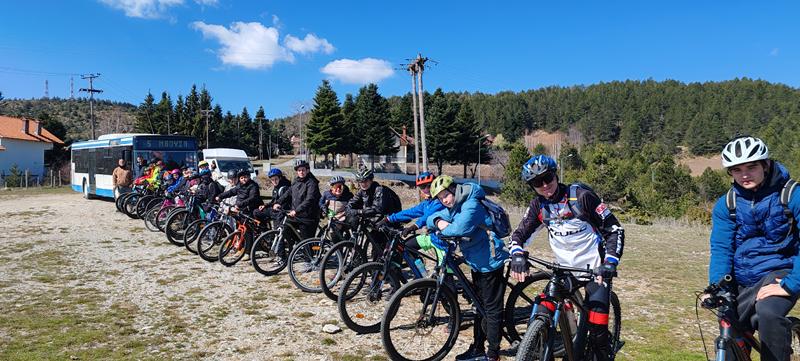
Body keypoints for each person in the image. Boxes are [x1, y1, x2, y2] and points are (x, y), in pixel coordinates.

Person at [509, 154, 624, 361]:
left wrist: (610, 262)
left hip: (595, 271)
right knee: (542, 310)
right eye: (537, 183)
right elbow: (519, 235)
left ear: (556, 175)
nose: (545, 186)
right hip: (565, 271)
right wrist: (517, 255)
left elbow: (614, 230)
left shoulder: (581, 197)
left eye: (548, 178)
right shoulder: (538, 206)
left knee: (597, 332)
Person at [704, 136, 800, 361]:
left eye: (751, 167)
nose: (744, 174)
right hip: (743, 277)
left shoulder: (792, 195)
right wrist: (717, 286)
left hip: (782, 272)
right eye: (737, 170)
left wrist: (791, 284)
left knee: (768, 312)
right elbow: (721, 248)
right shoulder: (727, 204)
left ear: (765, 165)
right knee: (728, 319)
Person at [427, 175, 509, 361]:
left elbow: (459, 229)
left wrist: (441, 225)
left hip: (490, 262)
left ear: (454, 189)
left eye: (445, 195)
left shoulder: (472, 204)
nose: (444, 200)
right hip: (477, 262)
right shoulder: (456, 205)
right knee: (478, 307)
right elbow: (432, 218)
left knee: (491, 309)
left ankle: (493, 354)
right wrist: (438, 221)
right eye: (440, 198)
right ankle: (478, 348)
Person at [345, 168, 402, 256]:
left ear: (371, 180)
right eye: (360, 181)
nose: (363, 184)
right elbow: (351, 203)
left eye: (365, 181)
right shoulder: (361, 191)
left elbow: (377, 208)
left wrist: (359, 211)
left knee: (379, 244)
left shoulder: (379, 190)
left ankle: (383, 260)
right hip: (376, 218)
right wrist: (349, 209)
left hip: (389, 218)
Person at [273, 160, 322, 241]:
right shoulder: (296, 181)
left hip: (308, 217)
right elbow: (288, 193)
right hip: (297, 216)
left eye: (303, 170)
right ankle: (297, 244)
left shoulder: (312, 183)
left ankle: (305, 247)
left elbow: (310, 199)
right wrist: (278, 202)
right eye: (299, 170)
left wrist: (296, 210)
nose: (301, 172)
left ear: (307, 170)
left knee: (306, 242)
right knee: (285, 228)